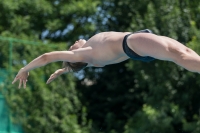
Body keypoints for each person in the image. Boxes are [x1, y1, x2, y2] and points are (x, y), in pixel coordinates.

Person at [12, 29, 200, 88]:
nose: (74, 43)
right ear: (74, 55)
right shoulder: (81, 54)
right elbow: (46, 57)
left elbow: (74, 67)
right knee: (180, 55)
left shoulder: (90, 60)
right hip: (134, 42)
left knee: (185, 52)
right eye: (71, 47)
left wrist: (63, 71)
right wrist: (24, 69)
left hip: (136, 47)